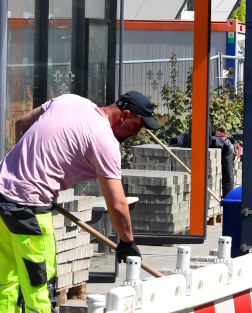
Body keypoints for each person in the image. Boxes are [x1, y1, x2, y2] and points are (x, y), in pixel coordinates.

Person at [0, 91, 159, 313]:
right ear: (124, 115)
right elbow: (117, 205)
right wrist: (127, 242)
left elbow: (21, 124)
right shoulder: (105, 142)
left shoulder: (70, 101)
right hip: (29, 210)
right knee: (40, 289)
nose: (135, 134)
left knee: (7, 281)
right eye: (136, 126)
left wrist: (23, 171)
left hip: (2, 195)